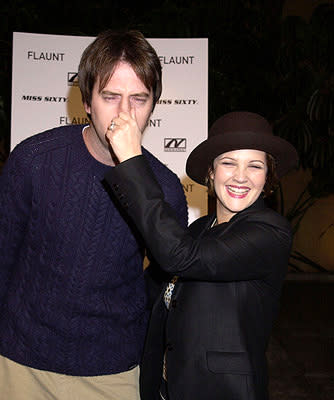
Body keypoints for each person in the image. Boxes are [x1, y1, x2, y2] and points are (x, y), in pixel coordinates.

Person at [0, 30, 188, 399]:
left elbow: (165, 282)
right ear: (87, 101)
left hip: (111, 369)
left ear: (153, 105)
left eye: (139, 99)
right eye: (110, 97)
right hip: (20, 360)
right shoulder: (33, 161)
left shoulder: (164, 187)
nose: (124, 114)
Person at [104, 110, 299, 400]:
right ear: (211, 171)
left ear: (267, 175)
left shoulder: (271, 233)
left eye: (255, 166)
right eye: (229, 163)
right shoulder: (197, 230)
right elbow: (149, 292)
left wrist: (132, 161)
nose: (241, 177)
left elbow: (179, 256)